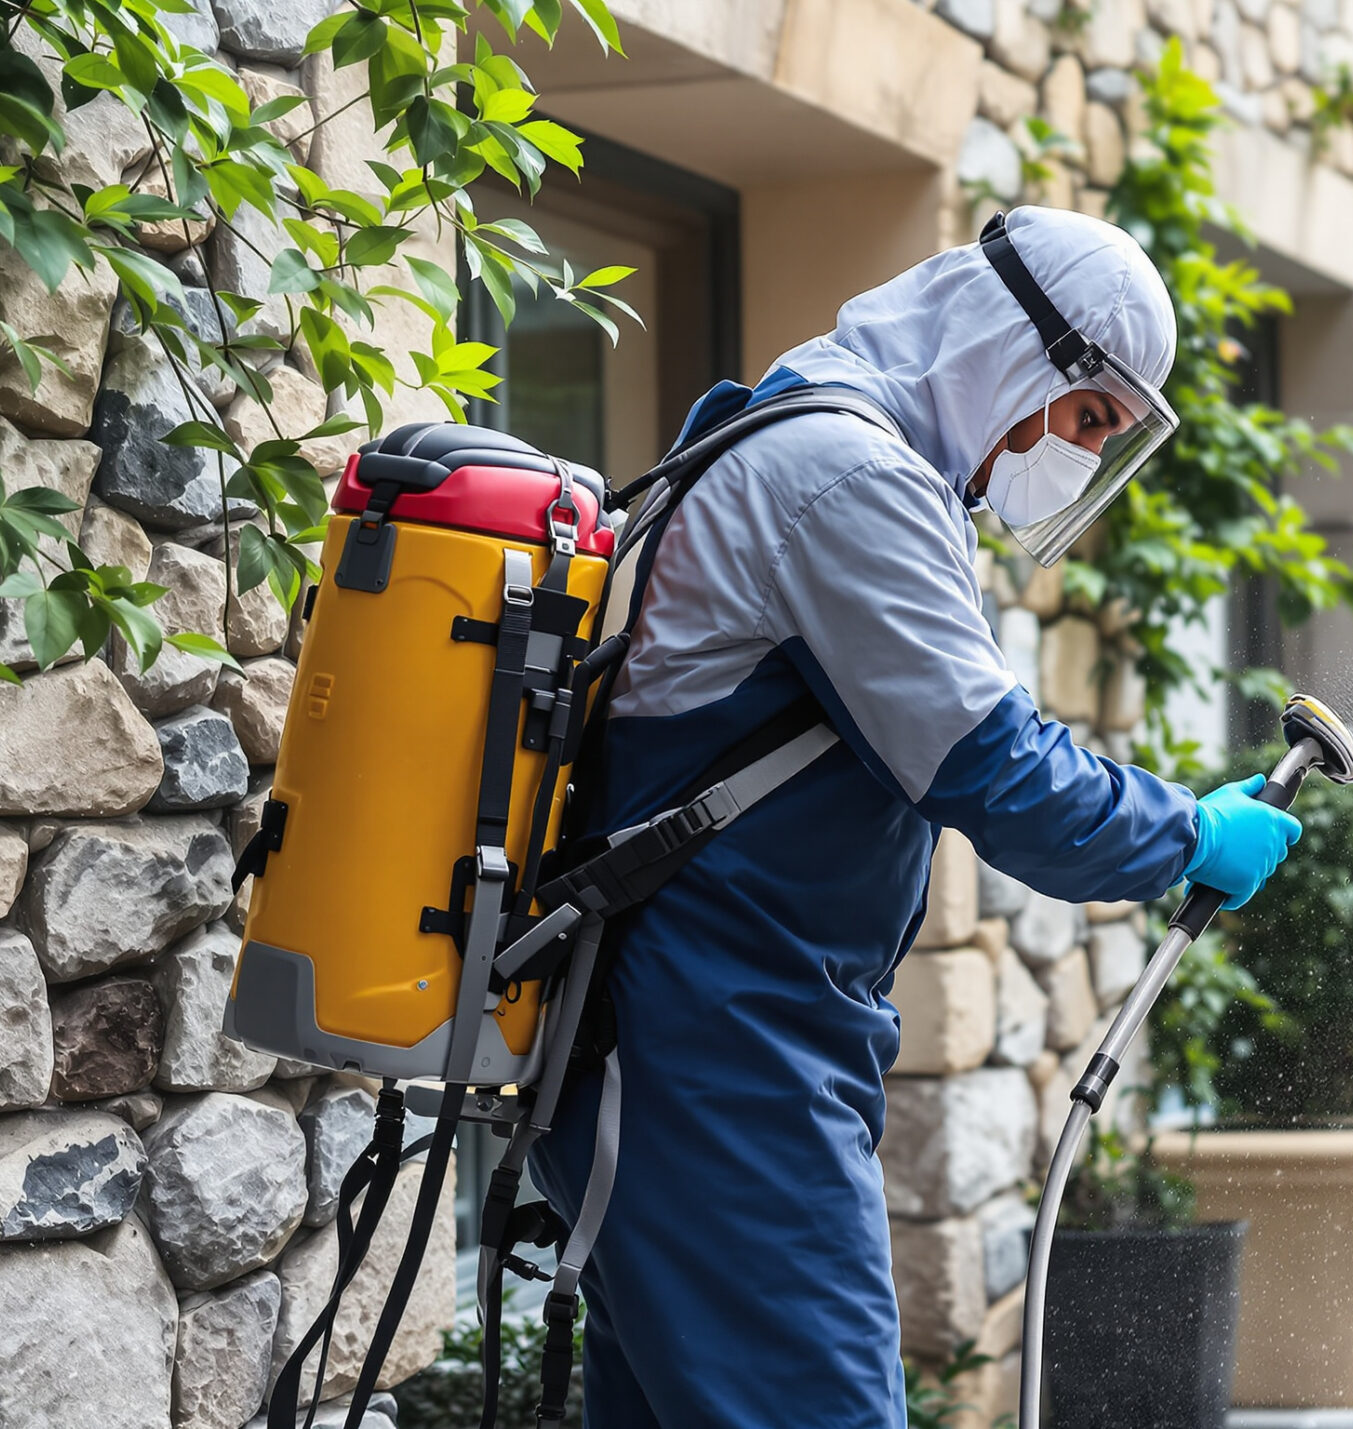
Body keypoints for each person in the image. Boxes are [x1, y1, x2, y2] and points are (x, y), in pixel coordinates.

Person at [525, 206, 1305, 1427]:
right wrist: (1188, 836)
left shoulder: (829, 437)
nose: (1082, 456)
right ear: (1012, 349)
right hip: (714, 1050)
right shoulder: (848, 475)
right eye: (1088, 418)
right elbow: (1000, 774)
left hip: (723, 1038)